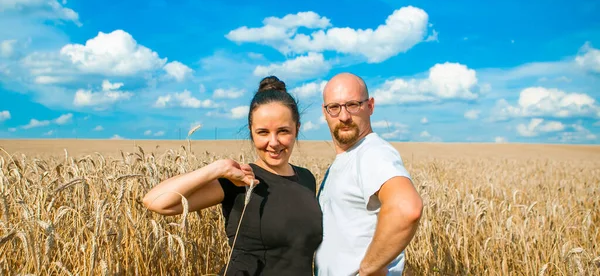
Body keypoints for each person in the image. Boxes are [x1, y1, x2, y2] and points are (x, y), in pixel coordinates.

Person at [143, 76, 323, 276]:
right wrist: (217, 169)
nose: (273, 142)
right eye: (263, 132)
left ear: (297, 129)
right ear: (251, 132)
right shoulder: (239, 180)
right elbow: (156, 202)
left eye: (283, 131)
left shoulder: (307, 178)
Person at [315, 72, 423, 276]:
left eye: (353, 104)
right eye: (335, 107)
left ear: (370, 106)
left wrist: (366, 270)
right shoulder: (349, 157)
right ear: (325, 112)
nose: (344, 116)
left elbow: (407, 208)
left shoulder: (372, 152)